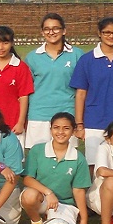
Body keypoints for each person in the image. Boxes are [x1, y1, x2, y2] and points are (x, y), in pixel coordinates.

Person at [71, 17, 113, 161]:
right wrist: (79, 124)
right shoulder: (86, 60)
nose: (111, 36)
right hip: (95, 120)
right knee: (94, 164)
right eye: (106, 32)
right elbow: (81, 94)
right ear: (99, 33)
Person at [20, 113, 90, 224]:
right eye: (56, 127)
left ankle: (56, 218)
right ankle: (36, 222)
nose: (61, 132)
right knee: (29, 196)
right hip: (42, 199)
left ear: (74, 131)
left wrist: (84, 218)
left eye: (66, 128)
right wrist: (48, 192)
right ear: (50, 129)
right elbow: (27, 179)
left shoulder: (78, 157)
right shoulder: (37, 150)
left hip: (64, 203)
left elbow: (79, 190)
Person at [25, 13, 81, 148]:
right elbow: (26, 90)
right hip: (39, 114)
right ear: (42, 32)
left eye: (56, 28)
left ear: (64, 30)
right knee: (38, 158)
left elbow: (82, 89)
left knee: (67, 158)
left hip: (67, 113)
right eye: (47, 29)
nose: (51, 32)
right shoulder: (32, 57)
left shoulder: (77, 55)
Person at [0, 26, 34, 146]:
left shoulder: (20, 67)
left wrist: (20, 122)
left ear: (12, 43)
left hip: (12, 122)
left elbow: (24, 96)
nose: (1, 47)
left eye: (5, 42)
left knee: (13, 160)